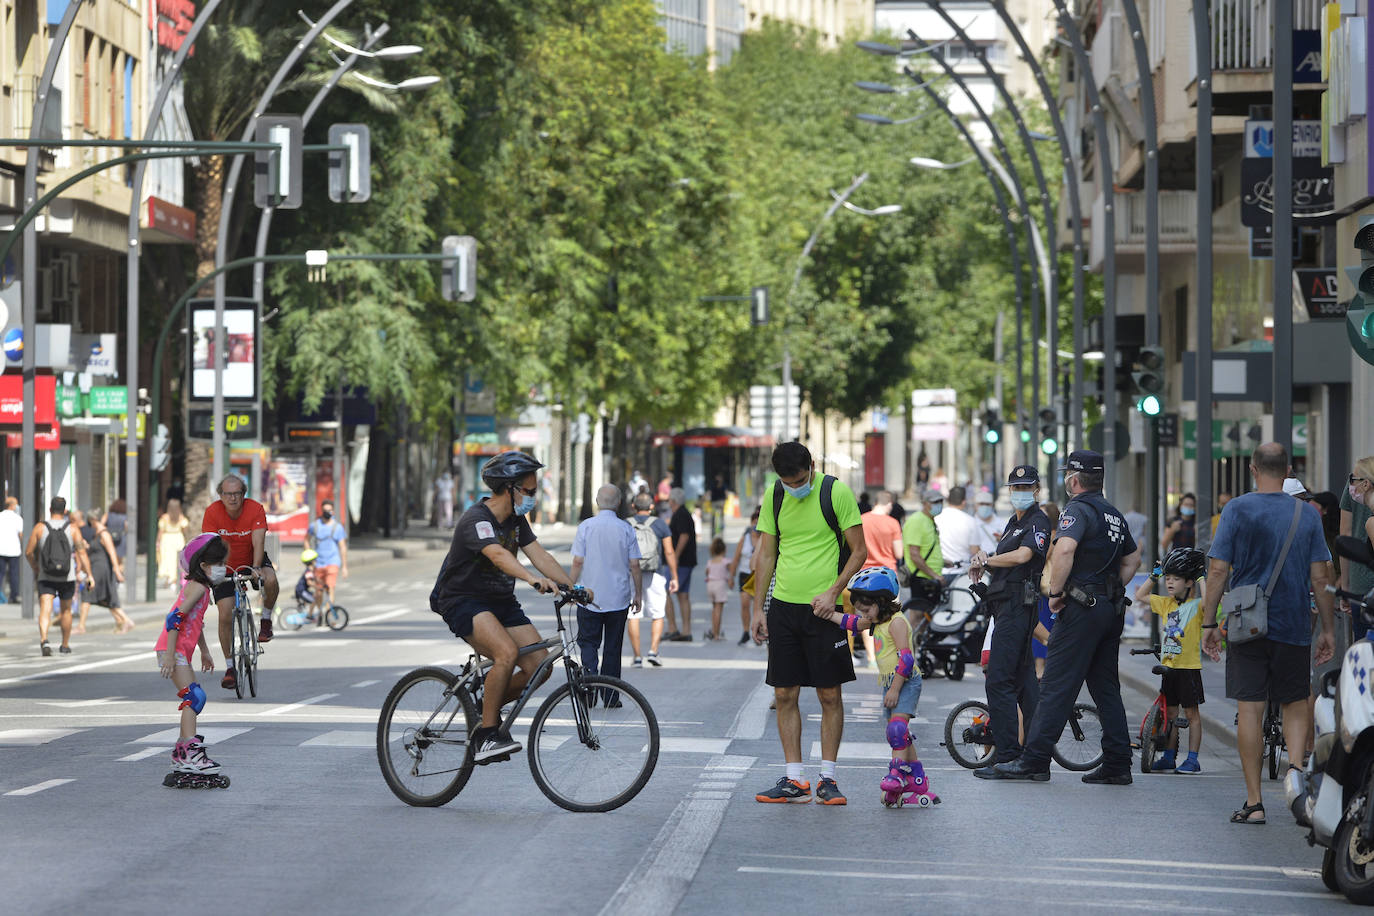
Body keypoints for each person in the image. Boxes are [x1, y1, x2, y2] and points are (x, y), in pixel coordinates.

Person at [1201, 443, 1335, 824]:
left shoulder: (1237, 509)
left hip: (1246, 623)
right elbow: (1321, 576)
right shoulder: (1306, 514)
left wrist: (1210, 623)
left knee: (1250, 709)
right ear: (1289, 469)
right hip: (1293, 622)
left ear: (1253, 468)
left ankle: (1255, 802)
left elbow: (1217, 571)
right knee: (1295, 703)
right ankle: (1296, 786)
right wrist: (1327, 629)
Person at [991, 450, 1141, 784]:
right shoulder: (1114, 514)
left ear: (1073, 479)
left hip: (1081, 608)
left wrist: (1056, 594)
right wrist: (1110, 587)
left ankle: (1034, 760)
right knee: (1106, 687)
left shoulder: (1077, 510)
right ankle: (1118, 763)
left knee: (1056, 684)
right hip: (1109, 608)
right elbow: (1133, 558)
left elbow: (1065, 549)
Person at [430, 451, 583, 762]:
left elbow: (541, 555)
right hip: (463, 600)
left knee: (539, 666)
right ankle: (486, 735)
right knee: (506, 653)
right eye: (529, 491)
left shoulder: (516, 520)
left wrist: (572, 587)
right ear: (509, 488)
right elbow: (499, 556)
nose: (533, 498)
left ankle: (488, 699)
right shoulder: (477, 520)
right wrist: (531, 579)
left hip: (500, 601)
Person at [750, 441, 867, 805]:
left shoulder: (836, 493)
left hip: (825, 611)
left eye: (798, 479)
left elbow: (860, 550)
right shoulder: (775, 495)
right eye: (786, 480)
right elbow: (767, 554)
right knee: (784, 694)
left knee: (829, 695)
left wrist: (834, 591)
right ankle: (794, 778)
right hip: (784, 608)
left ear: (811, 467)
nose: (793, 486)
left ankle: (828, 779)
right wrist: (759, 609)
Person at [814, 566, 938, 807]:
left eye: (868, 608)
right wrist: (826, 613)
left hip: (905, 681)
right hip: (891, 681)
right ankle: (917, 780)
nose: (865, 614)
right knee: (899, 733)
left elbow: (907, 659)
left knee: (896, 730)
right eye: (862, 610)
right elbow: (850, 622)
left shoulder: (896, 623)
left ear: (882, 601)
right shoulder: (877, 619)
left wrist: (894, 690)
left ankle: (896, 774)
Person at [971, 465, 1051, 776]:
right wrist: (983, 564)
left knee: (999, 680)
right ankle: (1034, 760)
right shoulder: (1012, 522)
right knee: (1025, 685)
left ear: (1037, 489)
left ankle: (1007, 755)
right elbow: (1007, 563)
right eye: (1015, 487)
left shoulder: (1038, 521)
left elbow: (1022, 558)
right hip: (1006, 606)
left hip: (1018, 607)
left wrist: (987, 558)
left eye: (1025, 487)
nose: (1019, 492)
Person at [156, 533, 228, 779]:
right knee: (194, 697)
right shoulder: (197, 588)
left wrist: (205, 651)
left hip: (177, 650)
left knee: (193, 697)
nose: (222, 568)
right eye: (218, 564)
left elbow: (194, 623)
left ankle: (183, 751)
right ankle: (188, 753)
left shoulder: (201, 588)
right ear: (204, 566)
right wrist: (168, 656)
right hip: (172, 649)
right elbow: (173, 619)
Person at [201, 475, 279, 690]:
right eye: (228, 494)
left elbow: (258, 540)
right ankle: (229, 668)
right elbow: (209, 545)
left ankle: (265, 620)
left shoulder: (254, 509)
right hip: (223, 564)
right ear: (221, 495)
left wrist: (255, 568)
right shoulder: (212, 512)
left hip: (251, 558)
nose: (233, 498)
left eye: (237, 494)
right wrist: (210, 572)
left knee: (271, 579)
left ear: (244, 495)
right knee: (225, 613)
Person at [1134, 546, 1208, 774]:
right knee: (1172, 715)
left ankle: (1193, 759)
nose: (1170, 583)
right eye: (1168, 578)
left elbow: (1210, 598)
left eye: (1176, 578)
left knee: (1192, 714)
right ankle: (1169, 756)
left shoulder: (1196, 607)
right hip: (1169, 668)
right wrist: (1154, 574)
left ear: (1189, 583)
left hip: (1188, 668)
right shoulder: (1167, 604)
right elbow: (1140, 595)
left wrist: (1201, 577)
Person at [570, 485, 642, 706]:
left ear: (596, 501)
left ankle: (588, 691)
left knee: (588, 644)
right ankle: (611, 697)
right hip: (618, 598)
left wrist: (570, 587)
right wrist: (638, 593)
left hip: (589, 598)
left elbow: (577, 561)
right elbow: (635, 565)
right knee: (613, 648)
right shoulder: (626, 528)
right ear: (619, 503)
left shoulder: (586, 526)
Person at [25, 497, 90, 656]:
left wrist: (35, 567)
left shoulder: (40, 527)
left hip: (46, 575)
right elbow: (81, 552)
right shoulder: (73, 528)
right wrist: (90, 574)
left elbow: (28, 552)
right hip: (67, 576)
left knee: (45, 610)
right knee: (66, 611)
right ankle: (65, 644)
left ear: (50, 509)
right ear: (65, 510)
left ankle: (44, 640)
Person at [628, 491, 677, 667]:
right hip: (656, 573)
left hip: (631, 573)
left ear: (633, 506)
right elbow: (669, 551)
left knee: (633, 614)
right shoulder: (660, 524)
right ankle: (653, 651)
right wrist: (674, 576)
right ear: (651, 507)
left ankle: (637, 657)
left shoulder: (626, 524)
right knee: (658, 613)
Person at [856, 491, 903, 663]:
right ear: (889, 504)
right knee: (891, 616)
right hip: (887, 576)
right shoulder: (892, 523)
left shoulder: (861, 519)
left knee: (866, 616)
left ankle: (871, 658)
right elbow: (899, 552)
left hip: (864, 575)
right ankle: (888, 655)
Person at [78, 507, 135, 635]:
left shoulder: (104, 533)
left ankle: (81, 626)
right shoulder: (97, 533)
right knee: (107, 597)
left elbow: (112, 552)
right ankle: (124, 621)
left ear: (93, 519)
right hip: (97, 567)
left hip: (101, 569)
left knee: (88, 593)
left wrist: (117, 569)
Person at [1341, 459, 1374, 641]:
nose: (1350, 485)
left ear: (1366, 484)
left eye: (1352, 479)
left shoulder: (1372, 523)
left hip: (1362, 589)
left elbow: (1345, 534)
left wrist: (1345, 586)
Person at [902, 488, 944, 611]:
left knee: (929, 614)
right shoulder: (917, 521)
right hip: (922, 578)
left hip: (930, 577)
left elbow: (926, 549)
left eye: (940, 502)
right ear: (925, 503)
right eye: (935, 502)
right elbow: (914, 555)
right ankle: (916, 632)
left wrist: (943, 561)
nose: (939, 505)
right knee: (919, 614)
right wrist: (935, 575)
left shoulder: (929, 520)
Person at [667, 487, 697, 641]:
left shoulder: (680, 515)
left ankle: (673, 628)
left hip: (681, 562)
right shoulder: (683, 513)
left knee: (665, 591)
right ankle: (686, 631)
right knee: (683, 595)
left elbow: (684, 536)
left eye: (669, 500)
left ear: (673, 501)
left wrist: (675, 557)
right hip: (687, 560)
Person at [306, 499, 348, 608]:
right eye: (325, 510)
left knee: (330, 588)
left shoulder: (337, 527)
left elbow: (342, 547)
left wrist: (344, 567)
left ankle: (329, 615)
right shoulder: (315, 526)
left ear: (333, 511)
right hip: (318, 563)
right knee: (319, 591)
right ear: (321, 510)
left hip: (332, 561)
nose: (327, 512)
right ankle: (320, 613)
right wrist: (309, 558)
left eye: (329, 510)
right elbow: (306, 540)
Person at [729, 506, 761, 646]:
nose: (756, 525)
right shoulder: (746, 537)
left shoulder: (766, 537)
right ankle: (745, 631)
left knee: (758, 605)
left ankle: (758, 630)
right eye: (754, 522)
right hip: (745, 574)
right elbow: (736, 557)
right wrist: (731, 576)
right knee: (745, 603)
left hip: (759, 574)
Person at [934, 486, 978, 584]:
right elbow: (975, 551)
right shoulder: (970, 521)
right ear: (964, 502)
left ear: (948, 500)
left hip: (939, 571)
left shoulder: (936, 518)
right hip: (962, 574)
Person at [156, 498, 190, 588]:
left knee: (167, 560)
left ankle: (169, 580)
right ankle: (174, 581)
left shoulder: (164, 517)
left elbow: (160, 531)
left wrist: (158, 542)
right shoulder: (181, 517)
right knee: (177, 560)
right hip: (178, 538)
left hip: (167, 539)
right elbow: (185, 529)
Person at [704, 537, 730, 640]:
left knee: (714, 609)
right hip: (720, 584)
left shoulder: (710, 562)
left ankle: (714, 630)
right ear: (724, 550)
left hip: (710, 584)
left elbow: (707, 572)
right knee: (719, 610)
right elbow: (731, 571)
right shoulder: (725, 561)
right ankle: (716, 634)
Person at [1159, 492, 1197, 557]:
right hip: (1176, 558)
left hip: (1192, 558)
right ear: (1180, 505)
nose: (1188, 507)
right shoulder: (1173, 521)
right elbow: (1164, 544)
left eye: (1191, 505)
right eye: (1186, 504)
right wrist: (1172, 530)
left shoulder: (1196, 523)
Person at [0, 497, 23, 603]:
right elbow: (21, 535)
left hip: (1, 549)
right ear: (12, 505)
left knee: (1, 573)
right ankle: (14, 596)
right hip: (14, 550)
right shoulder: (17, 518)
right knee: (14, 574)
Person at [972, 490, 1002, 554]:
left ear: (992, 505)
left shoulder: (1002, 524)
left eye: (987, 504)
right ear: (975, 505)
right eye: (981, 504)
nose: (984, 506)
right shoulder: (970, 524)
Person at [106, 498, 129, 567]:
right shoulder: (125, 517)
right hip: (121, 539)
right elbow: (126, 527)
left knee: (111, 558)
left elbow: (102, 524)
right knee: (120, 562)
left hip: (109, 538)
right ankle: (119, 575)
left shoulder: (108, 515)